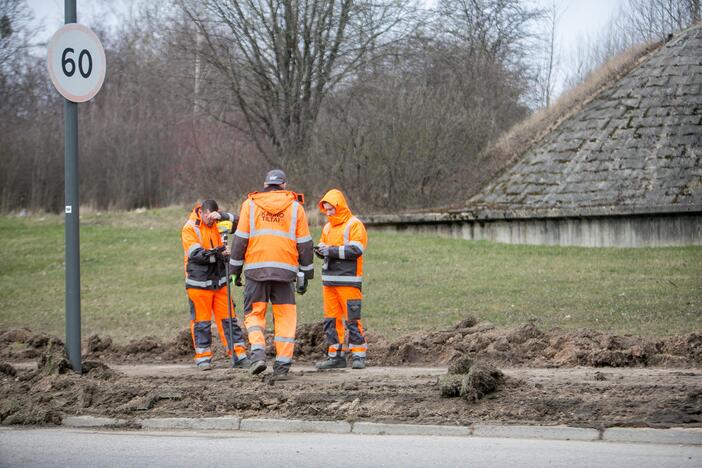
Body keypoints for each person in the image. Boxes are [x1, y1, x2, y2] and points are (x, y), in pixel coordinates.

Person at [229, 170, 314, 379]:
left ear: (266, 184)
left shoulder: (250, 205)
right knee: (285, 317)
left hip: (256, 271)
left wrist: (234, 271)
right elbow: (305, 244)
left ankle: (258, 355)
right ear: (284, 185)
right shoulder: (296, 208)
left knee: (255, 315)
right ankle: (282, 366)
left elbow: (240, 241)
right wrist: (306, 274)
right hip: (285, 272)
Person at [181, 199, 249, 370]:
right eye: (209, 217)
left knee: (229, 320)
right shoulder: (190, 228)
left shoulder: (219, 221)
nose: (211, 221)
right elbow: (196, 255)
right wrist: (220, 254)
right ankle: (203, 358)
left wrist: (224, 216)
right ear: (202, 212)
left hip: (220, 281)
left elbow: (243, 223)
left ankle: (238, 355)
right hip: (198, 284)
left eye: (213, 217)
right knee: (201, 322)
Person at [315, 189, 368, 370]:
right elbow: (324, 247)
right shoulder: (327, 227)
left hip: (348, 280)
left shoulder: (354, 224)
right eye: (326, 210)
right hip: (329, 281)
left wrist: (329, 250)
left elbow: (356, 250)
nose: (328, 213)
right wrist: (321, 251)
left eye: (331, 209)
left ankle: (359, 355)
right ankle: (336, 356)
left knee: (352, 318)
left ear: (340, 206)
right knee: (331, 320)